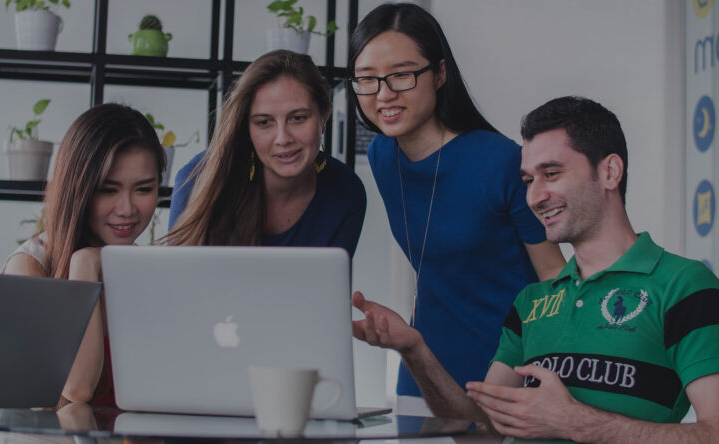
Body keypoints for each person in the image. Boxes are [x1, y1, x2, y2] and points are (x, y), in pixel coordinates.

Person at [352, 96, 719, 441]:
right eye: (528, 179)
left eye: (552, 173)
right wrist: (414, 348)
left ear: (609, 171)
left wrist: (576, 422)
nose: (534, 196)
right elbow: (481, 428)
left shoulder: (684, 285)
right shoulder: (532, 301)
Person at [347, 3, 565, 409]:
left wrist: (550, 373)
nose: (384, 94)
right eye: (367, 79)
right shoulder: (382, 155)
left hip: (508, 370)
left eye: (402, 75)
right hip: (423, 369)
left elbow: (554, 275)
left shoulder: (499, 161)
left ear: (440, 73)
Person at [3, 103, 165, 405]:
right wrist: (85, 265)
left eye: (143, 189)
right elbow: (76, 389)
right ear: (78, 188)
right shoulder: (28, 265)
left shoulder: (143, 270)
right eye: (108, 189)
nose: (127, 209)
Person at [166, 50, 366, 257]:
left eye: (298, 118)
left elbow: (330, 286)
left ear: (323, 117)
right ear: (247, 128)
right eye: (264, 122)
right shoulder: (198, 177)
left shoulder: (346, 191)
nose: (283, 138)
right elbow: (178, 282)